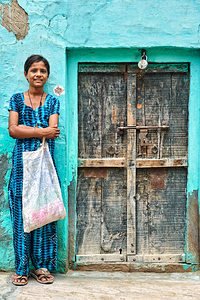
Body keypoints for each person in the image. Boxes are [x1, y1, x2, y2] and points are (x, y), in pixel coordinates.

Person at [8, 55, 60, 285]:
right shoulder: (17, 100)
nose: (38, 74)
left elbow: (54, 129)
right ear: (26, 74)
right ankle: (21, 268)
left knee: (44, 214)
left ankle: (42, 267)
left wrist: (27, 129)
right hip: (21, 167)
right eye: (34, 70)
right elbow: (12, 130)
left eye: (43, 71)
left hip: (44, 167)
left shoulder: (52, 101)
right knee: (21, 216)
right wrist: (41, 132)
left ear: (47, 75)